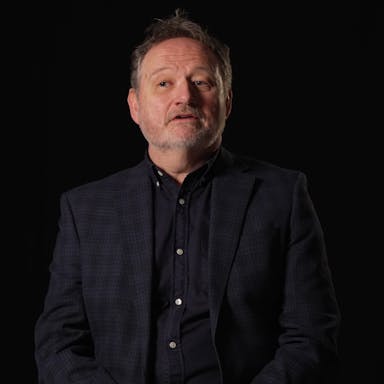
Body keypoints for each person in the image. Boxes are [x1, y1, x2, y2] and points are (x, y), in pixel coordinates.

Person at [35, 9, 340, 384]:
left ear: (227, 102)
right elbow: (58, 344)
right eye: (163, 83)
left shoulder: (283, 196)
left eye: (202, 82)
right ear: (134, 106)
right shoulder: (84, 210)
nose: (185, 95)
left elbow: (311, 336)